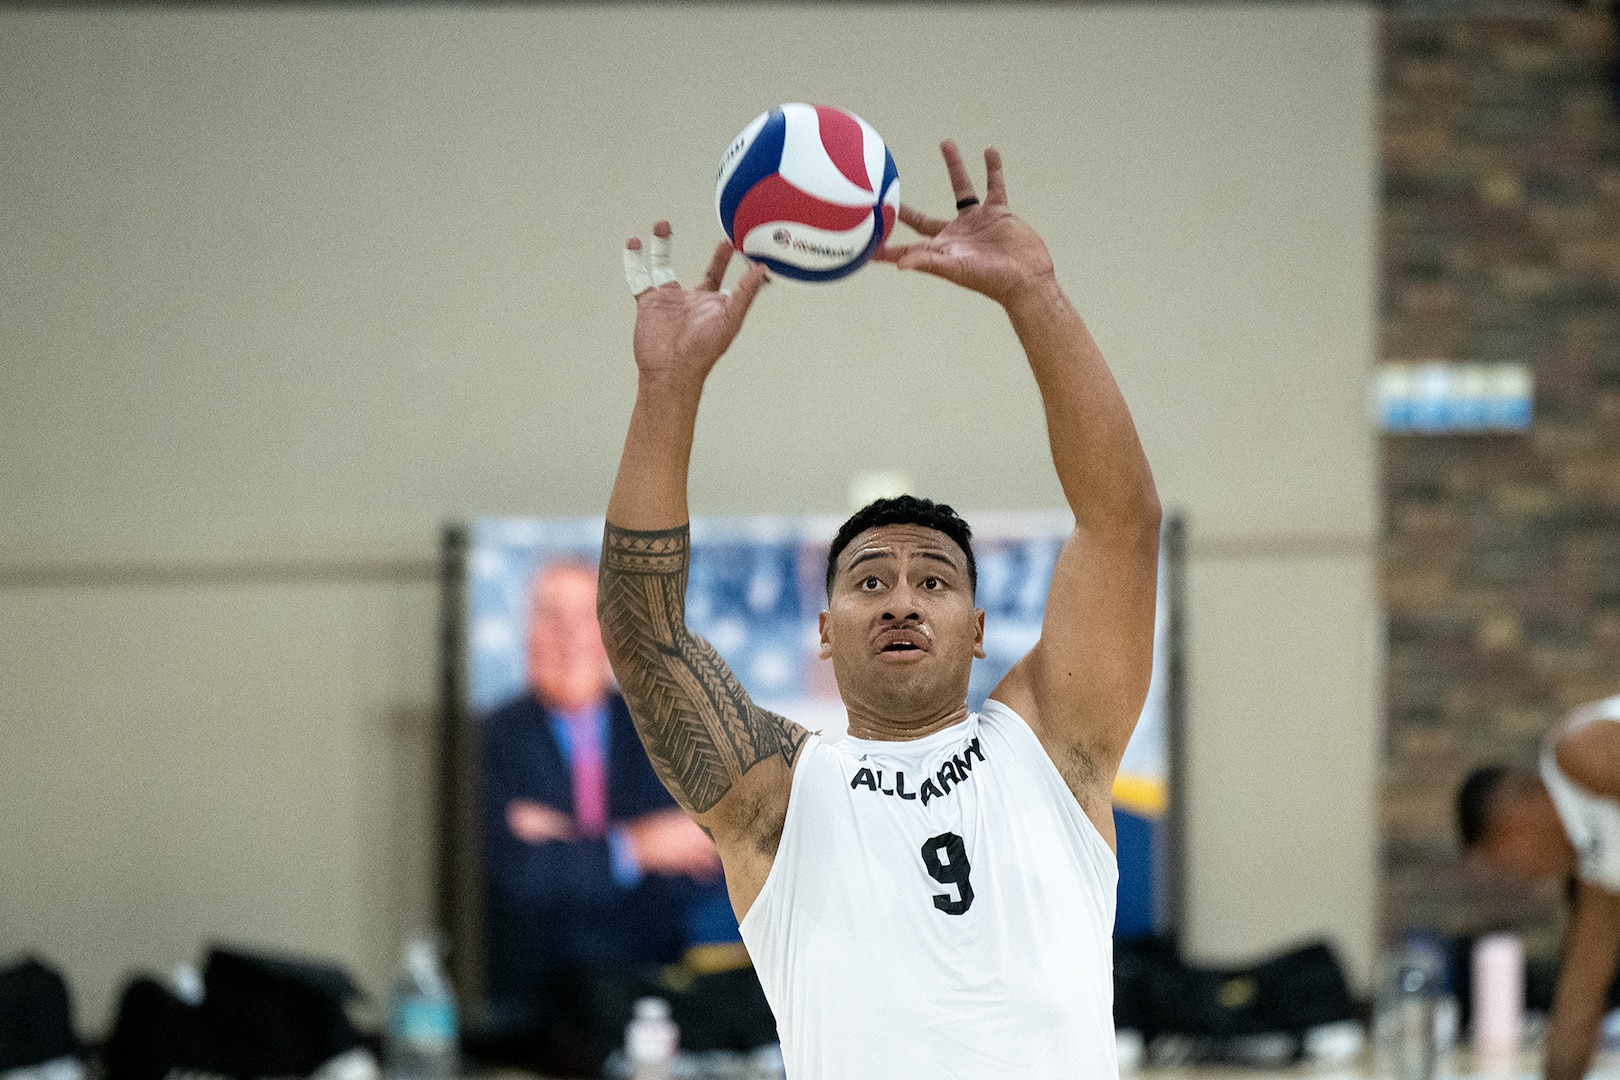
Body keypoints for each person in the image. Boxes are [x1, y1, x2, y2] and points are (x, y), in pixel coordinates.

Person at [601, 140, 1160, 1078]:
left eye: (935, 580)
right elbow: (644, 637)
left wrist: (1037, 298)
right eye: (868, 581)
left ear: (978, 628)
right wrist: (668, 389)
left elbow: (1123, 525)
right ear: (825, 631)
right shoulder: (778, 797)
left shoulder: (1056, 746)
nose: (901, 598)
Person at [479, 560, 724, 1036]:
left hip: (655, 995)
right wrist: (639, 848)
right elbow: (519, 882)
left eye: (585, 617)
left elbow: (700, 872)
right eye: (551, 617)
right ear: (526, 633)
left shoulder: (669, 734)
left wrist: (571, 841)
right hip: (532, 1010)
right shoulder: (488, 741)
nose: (569, 635)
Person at [1457, 694, 1620, 1080]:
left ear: (1512, 829)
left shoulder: (1576, 755)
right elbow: (1579, 1001)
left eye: (1502, 866)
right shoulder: (1598, 869)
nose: (1522, 881)